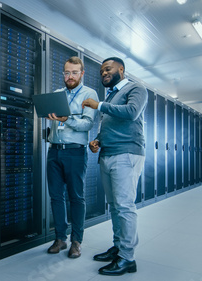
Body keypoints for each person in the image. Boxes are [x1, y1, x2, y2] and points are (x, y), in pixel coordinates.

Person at [82, 57, 147, 275]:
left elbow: (131, 113)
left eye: (107, 69)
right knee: (115, 205)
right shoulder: (111, 96)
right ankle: (119, 247)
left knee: (125, 206)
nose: (103, 74)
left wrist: (98, 105)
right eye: (101, 72)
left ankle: (128, 258)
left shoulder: (136, 88)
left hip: (126, 153)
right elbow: (109, 123)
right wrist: (98, 139)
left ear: (121, 69)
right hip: (108, 154)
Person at [45, 56, 98, 258]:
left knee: (76, 197)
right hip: (54, 150)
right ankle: (60, 239)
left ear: (81, 74)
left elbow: (87, 124)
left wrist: (67, 120)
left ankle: (76, 241)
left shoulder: (89, 94)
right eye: (67, 72)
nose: (70, 76)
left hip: (75, 151)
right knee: (56, 196)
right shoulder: (57, 94)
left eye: (74, 72)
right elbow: (52, 118)